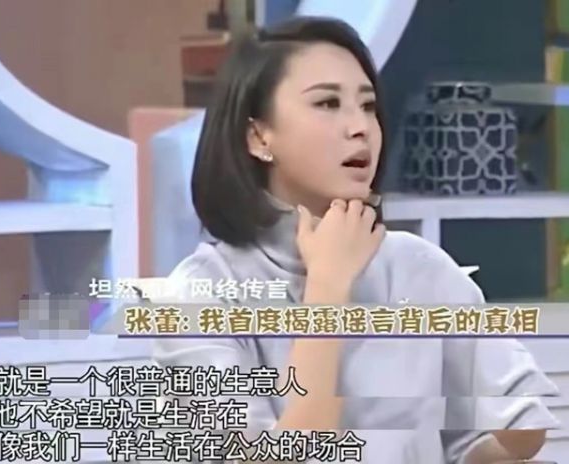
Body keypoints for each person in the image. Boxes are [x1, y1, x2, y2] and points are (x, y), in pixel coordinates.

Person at [154, 16, 559, 463]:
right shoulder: (197, 297)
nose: (360, 127)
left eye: (367, 106)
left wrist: (509, 423)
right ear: (258, 136)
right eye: (328, 103)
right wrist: (328, 290)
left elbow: (500, 435)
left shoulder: (421, 269)